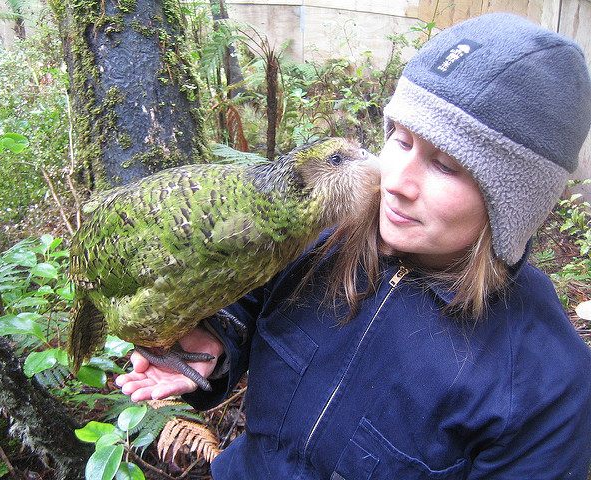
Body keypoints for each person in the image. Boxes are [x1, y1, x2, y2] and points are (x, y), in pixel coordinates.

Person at [116, 12, 591, 479]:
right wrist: (216, 338)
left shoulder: (546, 387)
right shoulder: (315, 237)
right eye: (400, 140)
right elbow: (250, 297)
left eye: (445, 165)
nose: (394, 181)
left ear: (512, 203)